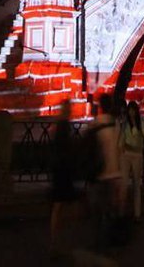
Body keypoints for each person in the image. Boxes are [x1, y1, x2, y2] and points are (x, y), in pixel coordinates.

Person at [85, 94, 122, 252]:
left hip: (98, 175)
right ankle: (109, 242)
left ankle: (99, 242)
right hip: (114, 174)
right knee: (110, 210)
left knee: (98, 211)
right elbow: (121, 149)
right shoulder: (117, 124)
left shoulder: (94, 125)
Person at [49, 99, 79, 259]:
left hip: (59, 170)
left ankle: (58, 243)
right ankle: (61, 243)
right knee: (64, 207)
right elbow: (67, 148)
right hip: (64, 170)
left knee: (59, 207)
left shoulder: (59, 125)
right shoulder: (64, 125)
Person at [118, 100, 144, 222]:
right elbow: (122, 138)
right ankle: (121, 212)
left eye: (133, 110)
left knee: (136, 185)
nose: (131, 113)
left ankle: (137, 213)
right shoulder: (124, 123)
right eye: (130, 110)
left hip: (137, 154)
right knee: (124, 184)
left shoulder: (141, 122)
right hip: (127, 154)